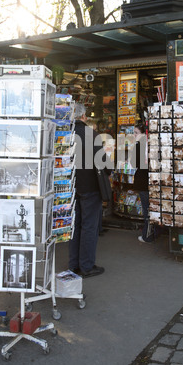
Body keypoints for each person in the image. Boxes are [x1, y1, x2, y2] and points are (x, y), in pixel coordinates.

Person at [68, 104, 110, 278]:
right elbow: (105, 165)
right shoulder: (91, 135)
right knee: (89, 227)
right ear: (84, 116)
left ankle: (74, 264)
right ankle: (87, 266)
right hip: (90, 188)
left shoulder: (66, 134)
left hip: (71, 188)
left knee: (75, 226)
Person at [131, 123, 154, 243]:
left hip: (143, 180)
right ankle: (151, 232)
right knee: (152, 208)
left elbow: (133, 163)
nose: (134, 135)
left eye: (136, 133)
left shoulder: (140, 145)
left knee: (147, 209)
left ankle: (147, 235)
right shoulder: (153, 143)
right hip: (152, 180)